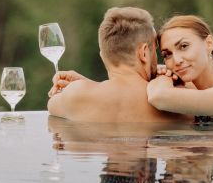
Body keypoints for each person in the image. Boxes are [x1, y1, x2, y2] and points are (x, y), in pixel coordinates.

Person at [47, 7, 189, 123]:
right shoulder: (171, 100)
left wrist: (87, 84)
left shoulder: (76, 94)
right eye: (155, 49)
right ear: (144, 53)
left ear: (103, 55)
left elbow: (52, 103)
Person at [147, 14, 213, 121]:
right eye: (167, 54)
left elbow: (157, 96)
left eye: (184, 46)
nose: (177, 60)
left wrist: (163, 76)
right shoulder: (186, 88)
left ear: (209, 43)